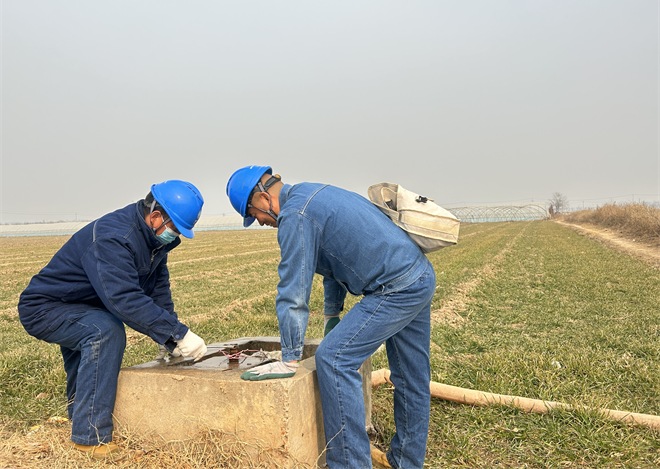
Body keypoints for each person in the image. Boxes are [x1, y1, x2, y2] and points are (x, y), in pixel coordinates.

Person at [226, 166, 436, 469]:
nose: (258, 222)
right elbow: (334, 258)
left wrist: (290, 357)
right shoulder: (313, 193)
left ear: (262, 198)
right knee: (412, 376)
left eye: (253, 213)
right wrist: (332, 314)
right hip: (419, 275)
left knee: (334, 358)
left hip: (395, 289)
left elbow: (293, 291)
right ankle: (406, 461)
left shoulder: (295, 216)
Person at [18, 180, 208, 458]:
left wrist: (168, 340)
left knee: (90, 343)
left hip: (83, 305)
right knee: (105, 331)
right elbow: (123, 299)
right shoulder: (114, 237)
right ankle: (90, 437)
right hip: (46, 308)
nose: (175, 235)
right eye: (175, 229)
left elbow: (158, 290)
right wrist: (178, 333)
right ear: (155, 216)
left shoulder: (153, 241)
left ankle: (77, 416)